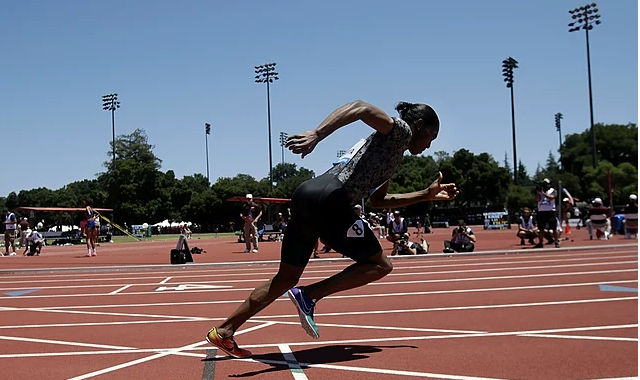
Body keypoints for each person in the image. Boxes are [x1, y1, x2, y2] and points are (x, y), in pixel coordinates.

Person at [205, 100, 458, 358]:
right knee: (381, 265)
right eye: (431, 138)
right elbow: (362, 107)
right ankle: (309, 295)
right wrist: (317, 134)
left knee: (286, 278)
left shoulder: (392, 153)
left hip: (308, 195)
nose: (429, 146)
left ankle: (224, 331)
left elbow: (379, 201)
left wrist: (425, 194)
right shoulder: (400, 131)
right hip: (331, 199)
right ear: (419, 126)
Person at [535, 178, 560, 248]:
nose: (546, 185)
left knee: (553, 228)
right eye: (544, 184)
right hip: (541, 211)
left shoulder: (553, 191)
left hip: (550, 211)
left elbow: (551, 198)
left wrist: (543, 193)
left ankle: (556, 241)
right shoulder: (540, 191)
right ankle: (540, 242)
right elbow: (537, 200)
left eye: (547, 184)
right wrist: (538, 192)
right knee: (541, 228)